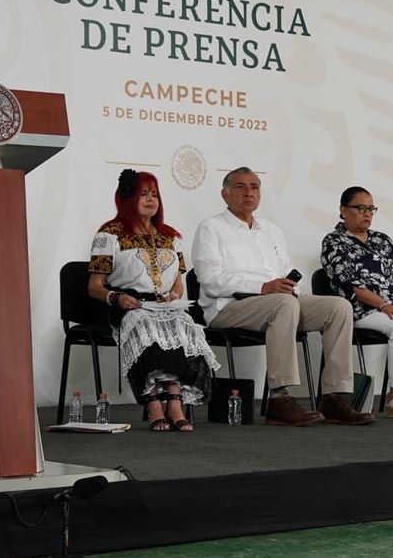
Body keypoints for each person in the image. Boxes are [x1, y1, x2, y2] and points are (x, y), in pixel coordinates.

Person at [190, 167, 374, 426]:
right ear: (225, 194)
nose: (248, 193)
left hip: (278, 304)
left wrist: (288, 286)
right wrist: (264, 286)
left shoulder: (271, 230)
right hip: (228, 307)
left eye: (254, 187)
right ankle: (279, 397)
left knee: (338, 307)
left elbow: (285, 273)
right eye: (241, 187)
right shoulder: (211, 228)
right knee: (284, 303)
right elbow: (210, 282)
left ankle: (333, 396)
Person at [87, 170, 220, 431]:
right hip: (129, 305)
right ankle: (155, 402)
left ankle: (174, 399)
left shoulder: (170, 237)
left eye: (155, 194)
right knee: (146, 323)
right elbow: (94, 287)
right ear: (127, 197)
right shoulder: (109, 234)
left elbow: (178, 283)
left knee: (183, 323)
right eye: (143, 194)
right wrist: (116, 297)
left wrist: (175, 296)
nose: (151, 199)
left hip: (164, 305)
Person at [321, 186, 393, 420]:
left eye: (371, 209)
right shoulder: (334, 242)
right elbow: (350, 285)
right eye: (360, 208)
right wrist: (383, 305)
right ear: (343, 210)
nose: (367, 213)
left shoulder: (381, 240)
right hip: (360, 310)